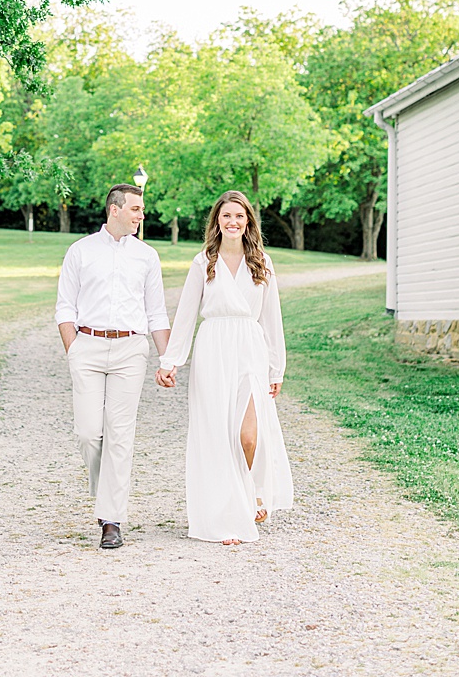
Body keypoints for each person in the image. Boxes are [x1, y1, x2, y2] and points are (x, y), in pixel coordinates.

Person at [157, 190, 293, 545]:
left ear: (248, 221)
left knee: (249, 434)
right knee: (216, 435)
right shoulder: (204, 261)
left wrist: (275, 369)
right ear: (217, 221)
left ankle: (252, 492)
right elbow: (186, 315)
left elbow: (272, 318)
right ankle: (229, 514)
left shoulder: (261, 260)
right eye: (226, 216)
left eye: (239, 216)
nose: (233, 222)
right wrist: (171, 360)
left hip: (250, 349)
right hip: (213, 349)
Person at [56, 182, 172, 550]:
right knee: (88, 433)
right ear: (115, 209)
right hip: (87, 347)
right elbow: (64, 307)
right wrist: (73, 349)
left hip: (130, 350)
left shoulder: (147, 256)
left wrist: (166, 359)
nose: (141, 215)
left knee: (120, 435)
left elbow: (156, 312)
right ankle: (106, 490)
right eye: (136, 209)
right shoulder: (80, 251)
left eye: (141, 209)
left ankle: (111, 520)